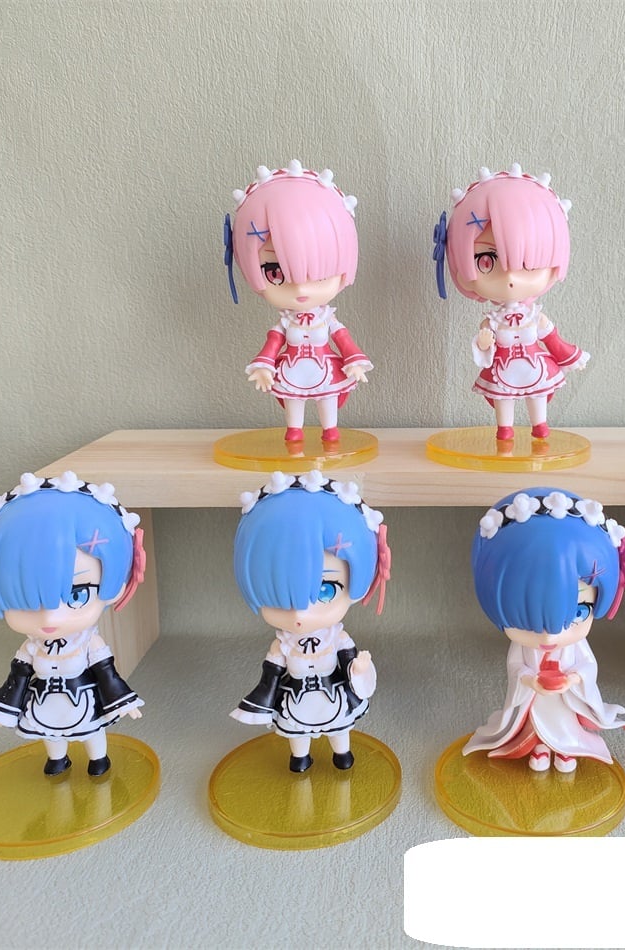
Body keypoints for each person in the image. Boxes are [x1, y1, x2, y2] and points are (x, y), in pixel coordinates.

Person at [0, 472, 146, 775]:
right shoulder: (31, 648)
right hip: (44, 703)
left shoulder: (88, 642)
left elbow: (106, 673)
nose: (50, 618)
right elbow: (17, 680)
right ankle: (57, 759)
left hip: (81, 698)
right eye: (26, 600)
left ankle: (98, 759)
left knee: (91, 730)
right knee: (50, 734)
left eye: (77, 595)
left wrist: (123, 701)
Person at [464, 488, 625, 772]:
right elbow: (515, 667)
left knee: (564, 723)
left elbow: (588, 666)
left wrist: (573, 679)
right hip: (536, 698)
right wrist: (529, 680)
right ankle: (540, 746)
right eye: (524, 619)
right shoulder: (524, 649)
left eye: (579, 612)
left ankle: (566, 750)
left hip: (564, 697)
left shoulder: (575, 647)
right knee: (535, 725)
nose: (550, 636)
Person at [231, 470, 391, 772]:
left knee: (339, 727)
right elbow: (271, 676)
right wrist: (262, 702)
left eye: (325, 590)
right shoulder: (283, 645)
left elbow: (349, 662)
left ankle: (342, 754)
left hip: (332, 693)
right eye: (278, 595)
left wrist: (358, 668)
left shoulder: (337, 638)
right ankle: (300, 757)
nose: (300, 615)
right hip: (297, 699)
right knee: (298, 731)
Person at [434, 164, 588, 440]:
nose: (510, 278)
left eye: (528, 263)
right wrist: (484, 343)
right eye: (487, 261)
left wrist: (571, 357)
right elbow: (484, 347)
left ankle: (540, 425)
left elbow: (553, 340)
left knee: (536, 395)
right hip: (503, 369)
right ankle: (504, 429)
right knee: (503, 398)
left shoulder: (535, 317)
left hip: (534, 368)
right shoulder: (492, 321)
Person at [225, 160, 372, 443]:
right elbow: (272, 344)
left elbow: (344, 340)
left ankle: (330, 431)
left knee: (327, 399)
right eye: (275, 272)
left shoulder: (327, 319)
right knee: (293, 401)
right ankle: (294, 431)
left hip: (324, 370)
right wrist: (264, 365)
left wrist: (354, 361)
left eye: (320, 272)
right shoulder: (285, 322)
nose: (301, 287)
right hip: (292, 370)